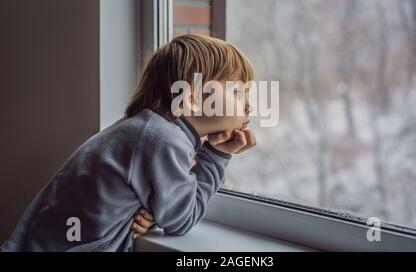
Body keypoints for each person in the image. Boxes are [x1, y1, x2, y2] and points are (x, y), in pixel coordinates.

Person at [1, 34, 256, 251]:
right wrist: (216, 156)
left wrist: (156, 214)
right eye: (236, 92)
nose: (248, 105)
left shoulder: (146, 129)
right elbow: (182, 220)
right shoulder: (163, 140)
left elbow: (145, 196)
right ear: (192, 98)